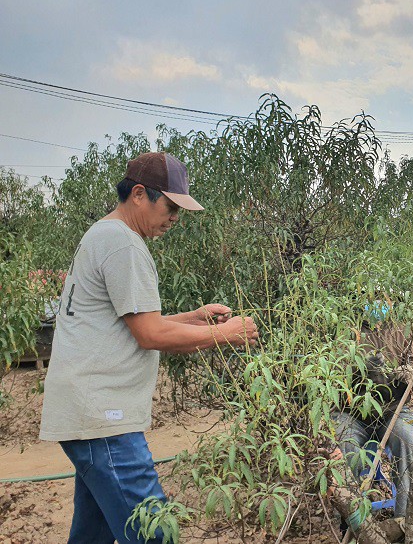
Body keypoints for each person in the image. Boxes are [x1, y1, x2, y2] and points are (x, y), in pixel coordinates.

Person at [39, 152, 260, 544]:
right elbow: (150, 336)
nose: (175, 218)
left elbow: (134, 325)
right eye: (171, 207)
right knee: (155, 531)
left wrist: (194, 317)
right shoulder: (123, 244)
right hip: (105, 419)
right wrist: (227, 334)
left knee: (95, 533)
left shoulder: (105, 234)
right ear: (140, 194)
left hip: (90, 413)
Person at [332, 304, 413, 519]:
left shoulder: (401, 332)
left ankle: (404, 520)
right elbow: (333, 381)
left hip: (391, 412)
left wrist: (408, 374)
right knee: (346, 446)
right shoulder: (345, 332)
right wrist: (357, 368)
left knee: (406, 439)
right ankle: (351, 519)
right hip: (351, 414)